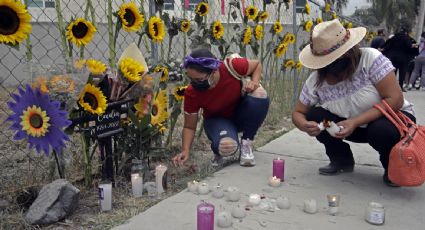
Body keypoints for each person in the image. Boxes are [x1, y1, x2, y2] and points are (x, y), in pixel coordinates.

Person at [292, 19, 416, 187]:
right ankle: (341, 160)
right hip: (351, 127)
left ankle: (392, 167)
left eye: (335, 59)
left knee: (380, 130)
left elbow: (395, 99)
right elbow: (298, 112)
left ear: (348, 53)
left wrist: (355, 121)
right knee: (315, 115)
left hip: (393, 121)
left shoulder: (370, 59)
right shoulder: (316, 81)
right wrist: (304, 125)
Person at [172, 49, 270, 167]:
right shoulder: (192, 92)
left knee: (260, 94)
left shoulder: (232, 66)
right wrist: (185, 150)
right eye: (191, 79)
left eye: (199, 79)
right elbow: (189, 127)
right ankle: (219, 147)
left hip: (240, 114)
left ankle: (246, 143)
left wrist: (254, 82)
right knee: (227, 146)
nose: (195, 83)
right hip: (216, 120)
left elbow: (257, 64)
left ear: (213, 71)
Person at [381, 25, 415, 90]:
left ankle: (392, 86)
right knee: (402, 72)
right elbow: (409, 47)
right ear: (405, 32)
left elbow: (388, 45)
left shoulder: (394, 37)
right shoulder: (406, 38)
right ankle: (400, 87)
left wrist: (383, 49)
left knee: (394, 72)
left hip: (393, 57)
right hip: (403, 58)